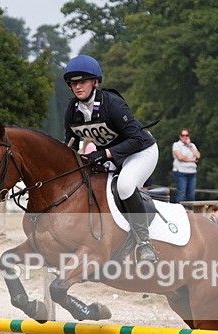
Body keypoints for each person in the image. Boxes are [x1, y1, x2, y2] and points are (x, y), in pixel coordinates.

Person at [62, 54, 160, 263]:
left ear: (95, 82)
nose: (77, 87)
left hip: (142, 151)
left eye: (82, 82)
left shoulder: (112, 104)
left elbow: (135, 139)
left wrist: (105, 153)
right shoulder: (72, 110)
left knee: (124, 186)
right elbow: (69, 144)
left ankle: (145, 244)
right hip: (114, 156)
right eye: (73, 83)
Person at [172, 129, 200, 209]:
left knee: (191, 194)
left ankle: (191, 211)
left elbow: (198, 155)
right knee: (182, 193)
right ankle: (179, 211)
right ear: (180, 136)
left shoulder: (192, 145)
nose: (185, 137)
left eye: (187, 135)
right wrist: (192, 160)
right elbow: (180, 157)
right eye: (183, 135)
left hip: (192, 172)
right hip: (180, 172)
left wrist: (190, 146)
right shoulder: (176, 145)